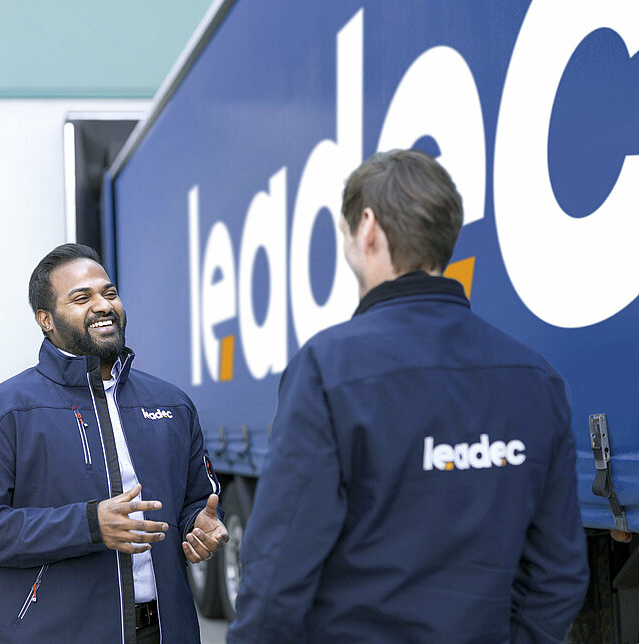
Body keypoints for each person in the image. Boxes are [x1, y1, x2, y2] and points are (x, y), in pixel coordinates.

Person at [228, 149, 589, 643]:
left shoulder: (327, 368)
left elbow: (277, 572)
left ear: (369, 227)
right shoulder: (535, 377)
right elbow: (558, 572)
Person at [0, 243, 227, 644]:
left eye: (109, 293)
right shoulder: (5, 411)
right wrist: (88, 525)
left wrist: (200, 526)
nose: (103, 305)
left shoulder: (171, 404)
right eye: (82, 298)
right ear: (46, 320)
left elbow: (198, 499)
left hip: (164, 631)